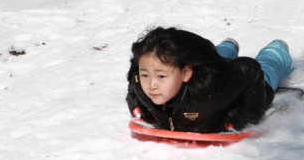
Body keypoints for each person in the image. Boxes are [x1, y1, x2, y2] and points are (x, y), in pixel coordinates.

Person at [126, 26, 294, 133]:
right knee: (211, 58)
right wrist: (138, 108)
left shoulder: (214, 93)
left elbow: (250, 68)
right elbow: (134, 83)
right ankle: (228, 46)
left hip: (239, 85)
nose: (151, 85)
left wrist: (247, 116)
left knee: (267, 68)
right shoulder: (140, 81)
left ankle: (276, 48)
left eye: (161, 76)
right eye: (145, 75)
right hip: (203, 66)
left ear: (186, 74)